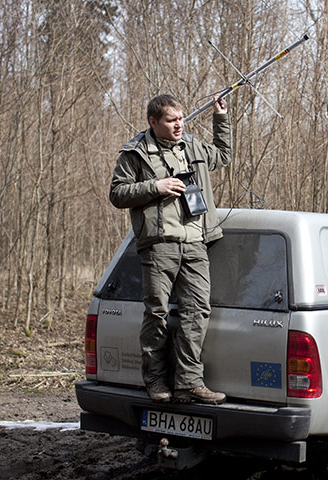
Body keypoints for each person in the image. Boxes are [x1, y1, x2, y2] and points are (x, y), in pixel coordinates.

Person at [109, 93, 231, 404]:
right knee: (157, 313)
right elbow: (118, 193)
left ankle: (189, 382)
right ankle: (155, 382)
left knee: (197, 312)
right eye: (171, 120)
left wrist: (221, 118)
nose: (179, 125)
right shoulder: (135, 152)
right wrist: (156, 186)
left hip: (194, 241)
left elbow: (222, 155)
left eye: (181, 119)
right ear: (153, 122)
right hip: (159, 243)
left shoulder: (190, 145)